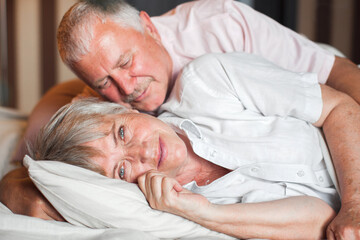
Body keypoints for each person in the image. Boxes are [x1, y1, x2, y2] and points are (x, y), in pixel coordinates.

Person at [1, 0, 360, 237]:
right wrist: (17, 186)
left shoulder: (219, 34)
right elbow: (36, 153)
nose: (127, 86)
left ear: (150, 29)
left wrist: (356, 204)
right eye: (103, 82)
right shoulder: (106, 120)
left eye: (126, 63)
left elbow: (337, 83)